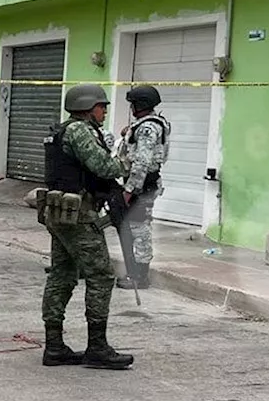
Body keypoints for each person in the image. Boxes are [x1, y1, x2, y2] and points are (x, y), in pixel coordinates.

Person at [38, 83, 135, 370]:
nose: (105, 111)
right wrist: (125, 160)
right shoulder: (79, 131)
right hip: (78, 215)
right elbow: (104, 167)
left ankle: (54, 346)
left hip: (60, 212)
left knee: (62, 275)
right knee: (102, 275)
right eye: (101, 106)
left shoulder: (63, 130)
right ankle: (97, 347)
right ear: (88, 107)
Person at [114, 85, 171, 290]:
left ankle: (139, 276)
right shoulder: (149, 124)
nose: (131, 108)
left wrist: (130, 190)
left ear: (141, 104)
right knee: (137, 226)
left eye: (133, 104)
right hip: (145, 183)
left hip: (142, 184)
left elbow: (142, 162)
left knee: (139, 228)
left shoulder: (147, 128)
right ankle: (136, 273)